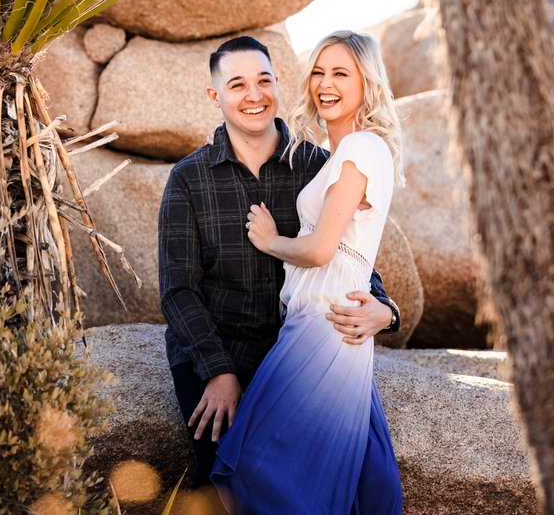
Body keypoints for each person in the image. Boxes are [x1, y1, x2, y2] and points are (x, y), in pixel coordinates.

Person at [158, 35, 401, 490]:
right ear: (215, 96)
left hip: (297, 345)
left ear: (278, 84)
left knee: (365, 481)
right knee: (233, 480)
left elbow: (353, 253)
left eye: (264, 81)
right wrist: (218, 371)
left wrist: (385, 310)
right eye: (237, 85)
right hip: (223, 348)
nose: (254, 95)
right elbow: (177, 289)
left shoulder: (315, 164)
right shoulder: (188, 179)